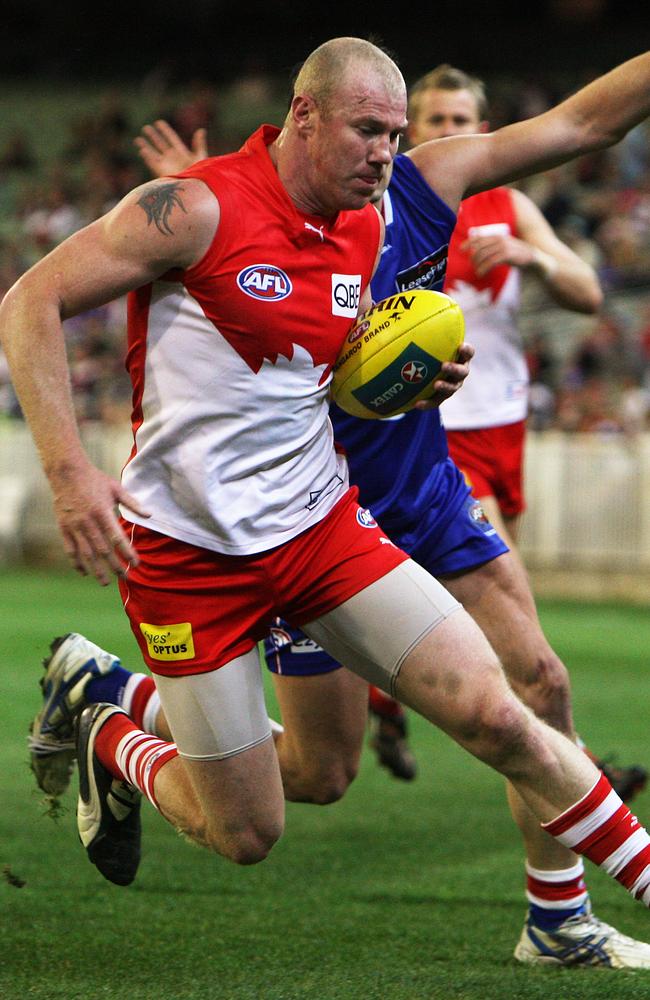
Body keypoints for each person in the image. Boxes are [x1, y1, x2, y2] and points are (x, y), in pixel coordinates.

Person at [6, 36, 650, 969]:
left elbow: (327, 364)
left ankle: (578, 913)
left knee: (504, 711)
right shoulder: (196, 208)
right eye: (372, 131)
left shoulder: (374, 215)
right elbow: (29, 300)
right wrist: (69, 473)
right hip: (191, 554)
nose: (387, 154)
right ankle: (112, 719)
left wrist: (413, 377)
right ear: (304, 116)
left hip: (326, 526)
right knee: (253, 825)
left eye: (398, 135)